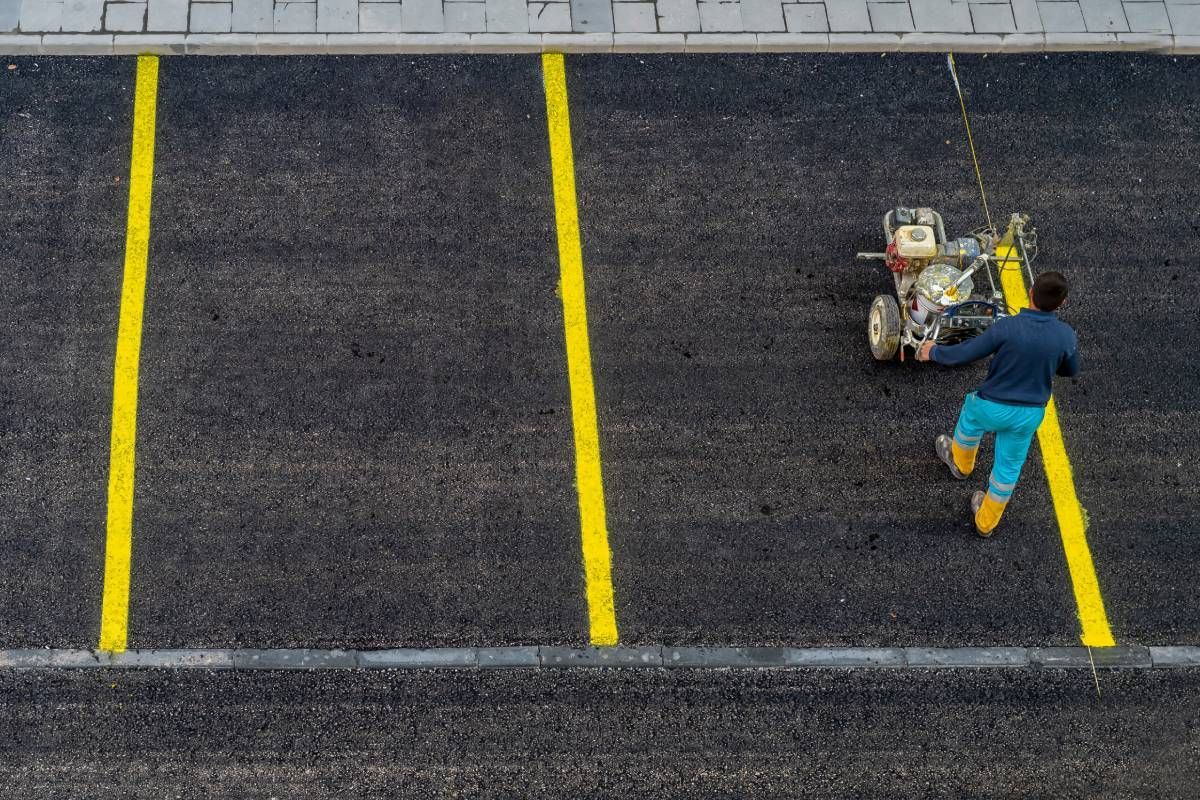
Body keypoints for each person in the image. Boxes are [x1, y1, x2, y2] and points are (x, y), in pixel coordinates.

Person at [916, 271, 1078, 537]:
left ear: (1031, 293)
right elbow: (1070, 370)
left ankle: (960, 464)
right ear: (1062, 304)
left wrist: (932, 351)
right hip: (1028, 414)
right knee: (1008, 467)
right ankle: (986, 521)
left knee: (969, 422)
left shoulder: (1007, 327)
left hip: (990, 405)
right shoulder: (1065, 336)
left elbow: (967, 353)